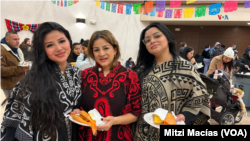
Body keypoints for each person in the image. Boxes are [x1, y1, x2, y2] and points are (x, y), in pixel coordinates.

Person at [0, 22, 82, 141]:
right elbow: (15, 120)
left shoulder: (76, 72)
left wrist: (77, 110)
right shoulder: (32, 80)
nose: (59, 48)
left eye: (62, 41)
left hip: (72, 134)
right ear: (42, 49)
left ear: (69, 41)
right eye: (50, 45)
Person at [133, 22, 210, 141]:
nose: (152, 41)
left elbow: (201, 99)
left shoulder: (185, 68)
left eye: (157, 36)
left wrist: (184, 116)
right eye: (147, 40)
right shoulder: (141, 69)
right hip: (142, 131)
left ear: (168, 38)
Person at [71, 30, 141, 141]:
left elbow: (135, 113)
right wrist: (77, 112)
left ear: (115, 49)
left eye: (106, 48)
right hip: (87, 136)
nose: (101, 53)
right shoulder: (84, 75)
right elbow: (78, 106)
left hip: (118, 136)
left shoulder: (130, 76)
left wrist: (114, 120)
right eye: (96, 50)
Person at [0, 31, 28, 97]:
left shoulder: (17, 49)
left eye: (18, 39)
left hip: (20, 83)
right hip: (10, 86)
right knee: (13, 106)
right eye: (15, 39)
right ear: (7, 39)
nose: (18, 41)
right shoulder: (1, 50)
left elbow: (18, 62)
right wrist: (20, 69)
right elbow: (1, 70)